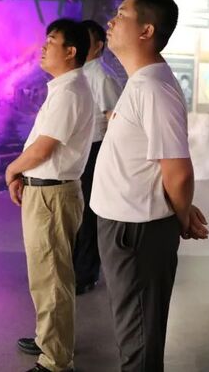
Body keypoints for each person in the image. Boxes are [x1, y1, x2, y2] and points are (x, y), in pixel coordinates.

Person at [90, 0, 209, 372]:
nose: (111, 22)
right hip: (126, 225)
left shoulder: (154, 88)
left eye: (122, 15)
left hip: (136, 231)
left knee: (138, 335)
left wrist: (182, 215)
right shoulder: (142, 82)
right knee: (134, 328)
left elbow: (178, 169)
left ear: (146, 30)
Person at [5, 18, 95, 372]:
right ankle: (49, 339)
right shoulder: (64, 88)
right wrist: (24, 176)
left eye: (51, 41)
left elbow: (43, 149)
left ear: (70, 51)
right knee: (47, 276)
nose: (43, 47)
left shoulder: (70, 92)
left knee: (52, 280)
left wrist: (12, 169)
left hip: (52, 197)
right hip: (47, 193)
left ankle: (56, 361)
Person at [72, 19, 122, 296]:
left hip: (95, 151)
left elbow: (114, 120)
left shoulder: (101, 77)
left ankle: (85, 273)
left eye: (86, 39)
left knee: (89, 216)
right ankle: (75, 269)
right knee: (77, 214)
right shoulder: (79, 73)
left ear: (98, 46)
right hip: (80, 152)